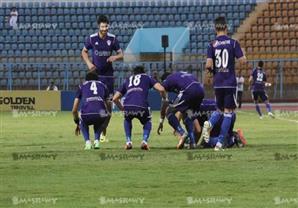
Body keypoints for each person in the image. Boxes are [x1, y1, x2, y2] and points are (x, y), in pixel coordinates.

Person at [204, 16, 247, 151]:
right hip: (229, 82)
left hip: (218, 83)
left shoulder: (212, 44)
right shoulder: (233, 43)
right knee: (228, 112)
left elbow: (208, 65)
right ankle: (220, 143)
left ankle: (209, 123)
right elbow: (243, 61)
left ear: (215, 28)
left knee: (219, 110)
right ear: (226, 27)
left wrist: (213, 73)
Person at [81, 15, 123, 143]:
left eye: (106, 26)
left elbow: (121, 54)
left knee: (108, 106)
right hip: (96, 77)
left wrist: (115, 58)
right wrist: (89, 64)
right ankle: (96, 134)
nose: (104, 28)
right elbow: (84, 52)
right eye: (102, 26)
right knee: (95, 103)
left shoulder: (113, 39)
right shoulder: (92, 38)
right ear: (98, 26)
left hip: (109, 77)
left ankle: (103, 133)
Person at [113, 66, 166, 150]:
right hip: (141, 105)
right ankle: (144, 141)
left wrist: (122, 108)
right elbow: (162, 89)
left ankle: (128, 142)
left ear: (133, 73)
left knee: (127, 119)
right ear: (143, 72)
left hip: (128, 105)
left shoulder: (128, 79)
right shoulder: (147, 77)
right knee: (147, 121)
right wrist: (164, 98)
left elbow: (115, 98)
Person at [157, 71, 205, 149]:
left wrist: (161, 121)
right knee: (188, 112)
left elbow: (165, 102)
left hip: (189, 91)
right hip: (201, 91)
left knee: (169, 111)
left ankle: (182, 133)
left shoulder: (167, 80)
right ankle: (193, 143)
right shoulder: (182, 75)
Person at [72, 72, 109, 150]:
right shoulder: (103, 85)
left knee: (82, 120)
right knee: (99, 120)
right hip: (101, 113)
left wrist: (77, 122)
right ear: (97, 79)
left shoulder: (81, 86)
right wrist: (106, 115)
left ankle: (87, 142)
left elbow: (74, 109)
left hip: (87, 113)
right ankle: (97, 141)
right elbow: (108, 104)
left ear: (86, 79)